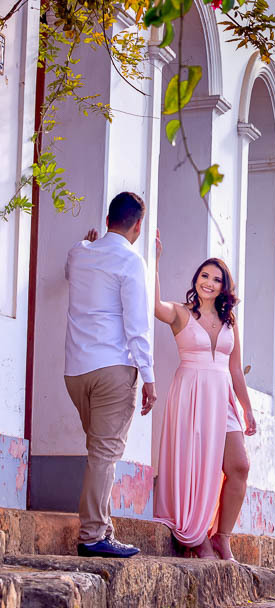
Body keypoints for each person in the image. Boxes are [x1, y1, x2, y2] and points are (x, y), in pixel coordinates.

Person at [64, 191, 157, 559]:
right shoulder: (132, 261)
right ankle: (92, 536)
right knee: (104, 453)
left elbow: (73, 269)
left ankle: (103, 528)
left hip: (76, 372)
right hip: (112, 370)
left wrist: (86, 243)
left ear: (106, 221)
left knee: (99, 451)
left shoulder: (79, 253)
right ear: (137, 226)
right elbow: (137, 325)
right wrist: (148, 376)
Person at [153, 231, 256, 560]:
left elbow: (236, 369)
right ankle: (195, 535)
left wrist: (247, 410)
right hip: (191, 395)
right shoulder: (181, 313)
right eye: (204, 276)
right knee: (194, 465)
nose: (208, 283)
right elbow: (155, 306)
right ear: (196, 279)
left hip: (222, 397)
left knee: (239, 465)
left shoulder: (229, 321)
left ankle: (221, 537)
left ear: (224, 287)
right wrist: (154, 260)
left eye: (216, 279)